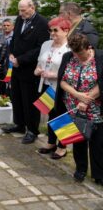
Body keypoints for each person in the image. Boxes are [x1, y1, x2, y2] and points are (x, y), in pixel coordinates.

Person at [55, 33, 102, 184]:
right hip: (72, 107)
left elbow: (102, 83)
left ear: (89, 47)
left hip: (95, 108)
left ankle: (99, 174)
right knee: (77, 140)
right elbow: (62, 81)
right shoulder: (68, 56)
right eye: (75, 53)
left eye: (80, 53)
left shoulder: (100, 57)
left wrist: (86, 100)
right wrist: (77, 94)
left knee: (98, 142)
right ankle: (80, 169)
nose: (78, 57)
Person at [3, 0, 50, 144]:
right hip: (16, 66)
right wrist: (11, 54)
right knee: (16, 97)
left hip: (30, 68)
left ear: (32, 7)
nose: (21, 13)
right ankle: (19, 124)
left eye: (23, 10)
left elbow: (40, 48)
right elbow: (15, 39)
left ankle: (32, 130)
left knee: (29, 100)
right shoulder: (19, 19)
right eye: (19, 10)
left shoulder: (42, 23)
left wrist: (21, 59)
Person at [35, 17, 71, 160]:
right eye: (50, 30)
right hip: (46, 85)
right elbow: (40, 61)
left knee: (62, 116)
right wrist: (38, 70)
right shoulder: (46, 44)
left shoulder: (70, 47)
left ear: (66, 31)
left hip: (61, 87)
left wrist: (54, 74)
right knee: (50, 114)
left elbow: (71, 71)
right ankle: (51, 143)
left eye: (56, 30)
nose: (52, 33)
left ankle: (63, 147)